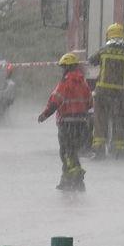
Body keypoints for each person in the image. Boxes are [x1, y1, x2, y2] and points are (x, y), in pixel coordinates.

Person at [38, 52, 92, 191]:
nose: (62, 70)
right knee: (72, 151)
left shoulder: (65, 82)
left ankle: (76, 177)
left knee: (66, 153)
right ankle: (67, 180)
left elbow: (55, 101)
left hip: (66, 123)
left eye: (63, 67)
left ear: (67, 67)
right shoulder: (83, 82)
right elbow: (90, 102)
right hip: (81, 123)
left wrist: (44, 115)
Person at [90, 22, 124, 159]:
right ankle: (118, 150)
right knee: (118, 120)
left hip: (102, 92)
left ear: (109, 36)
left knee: (100, 120)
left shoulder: (104, 51)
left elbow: (92, 60)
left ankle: (99, 150)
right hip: (119, 94)